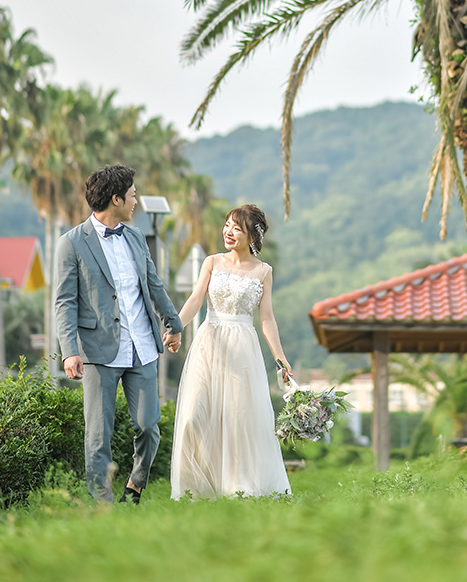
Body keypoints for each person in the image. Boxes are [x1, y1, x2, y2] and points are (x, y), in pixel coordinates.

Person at [54, 164, 183, 504]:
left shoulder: (137, 237)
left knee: (149, 426)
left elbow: (154, 285)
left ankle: (135, 485)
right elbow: (63, 302)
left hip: (142, 347)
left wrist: (173, 324)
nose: (136, 200)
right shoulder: (71, 244)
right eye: (132, 194)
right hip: (98, 350)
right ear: (116, 199)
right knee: (99, 435)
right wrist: (69, 350)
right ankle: (102, 504)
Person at [170, 204, 292, 499]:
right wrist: (176, 327)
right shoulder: (212, 262)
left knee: (237, 419)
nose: (228, 232)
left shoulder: (263, 271)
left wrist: (281, 359)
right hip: (208, 342)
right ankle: (195, 485)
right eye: (227, 225)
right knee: (192, 416)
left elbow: (266, 319)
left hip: (242, 348)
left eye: (237, 228)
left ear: (252, 236)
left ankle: (237, 486)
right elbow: (196, 299)